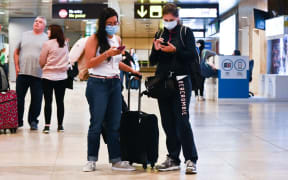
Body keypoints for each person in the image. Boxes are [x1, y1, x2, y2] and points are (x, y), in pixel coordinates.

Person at [82, 7, 141, 172]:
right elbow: (89, 63)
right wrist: (107, 53)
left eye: (115, 23)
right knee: (96, 123)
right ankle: (91, 160)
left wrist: (132, 70)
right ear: (103, 24)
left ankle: (116, 160)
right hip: (97, 84)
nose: (113, 26)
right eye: (109, 23)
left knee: (115, 124)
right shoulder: (93, 39)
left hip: (115, 84)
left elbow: (117, 63)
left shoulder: (117, 39)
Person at [149, 3, 198, 174]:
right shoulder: (159, 34)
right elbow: (152, 61)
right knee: (167, 122)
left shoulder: (186, 32)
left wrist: (176, 50)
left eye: (171, 19)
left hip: (181, 81)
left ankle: (191, 159)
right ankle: (173, 158)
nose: (168, 22)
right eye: (165, 20)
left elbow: (192, 55)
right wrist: (156, 50)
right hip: (163, 83)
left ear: (177, 18)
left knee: (182, 121)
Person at [14, 16, 48, 130]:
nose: (37, 23)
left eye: (40, 22)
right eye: (36, 21)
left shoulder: (46, 39)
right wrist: (16, 67)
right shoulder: (24, 35)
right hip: (22, 73)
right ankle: (18, 121)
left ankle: (33, 121)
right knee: (19, 99)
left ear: (44, 26)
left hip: (38, 75)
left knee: (36, 100)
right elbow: (16, 52)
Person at [39, 24, 69, 134]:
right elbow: (67, 58)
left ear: (53, 32)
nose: (47, 32)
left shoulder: (47, 44)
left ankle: (47, 126)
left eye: (49, 30)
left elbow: (42, 60)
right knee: (60, 102)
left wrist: (45, 67)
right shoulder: (65, 43)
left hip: (48, 76)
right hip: (62, 77)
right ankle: (60, 126)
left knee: (48, 102)